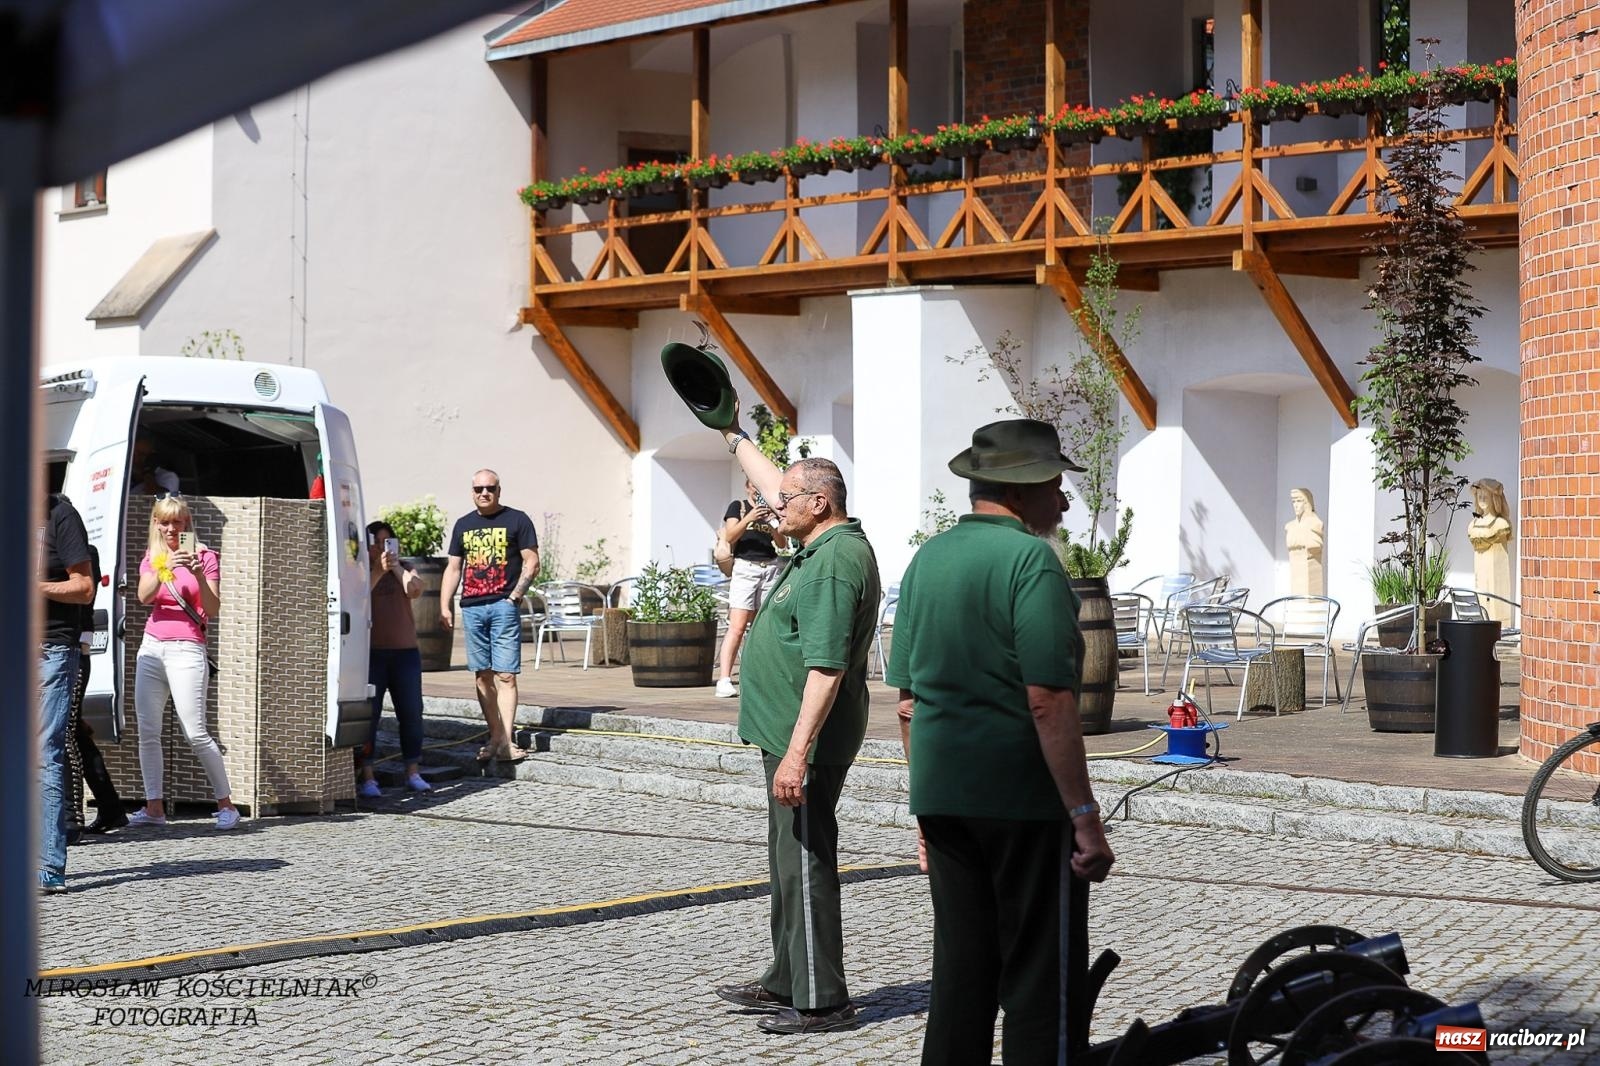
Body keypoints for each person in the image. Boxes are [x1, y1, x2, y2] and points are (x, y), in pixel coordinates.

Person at [886, 418, 1115, 1065]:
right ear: (1023, 489)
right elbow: (1048, 700)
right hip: (1022, 802)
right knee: (1040, 985)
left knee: (961, 978)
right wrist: (1085, 816)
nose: (1064, 501)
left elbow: (906, 704)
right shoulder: (1029, 561)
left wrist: (927, 808)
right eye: (1056, 485)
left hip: (944, 798)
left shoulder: (927, 559)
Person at [710, 409, 881, 1036]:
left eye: (783, 501)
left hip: (804, 741)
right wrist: (731, 433)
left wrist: (796, 753)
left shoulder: (835, 561)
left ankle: (822, 999)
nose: (770, 507)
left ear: (818, 501)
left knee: (806, 861)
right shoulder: (816, 544)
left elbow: (827, 668)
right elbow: (775, 480)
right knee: (787, 860)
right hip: (782, 734)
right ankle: (785, 977)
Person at [128, 494, 241, 830]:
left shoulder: (205, 556)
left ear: (187, 524)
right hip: (152, 646)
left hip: (188, 647)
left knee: (195, 731)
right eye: (164, 521)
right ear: (156, 523)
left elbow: (213, 608)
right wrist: (167, 568)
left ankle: (227, 804)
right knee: (148, 731)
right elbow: (144, 597)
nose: (171, 528)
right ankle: (154, 807)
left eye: (177, 522)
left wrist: (198, 574)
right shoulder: (153, 556)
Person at [440, 470, 539, 763]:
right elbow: (454, 568)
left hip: (502, 606)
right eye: (478, 488)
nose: (484, 493)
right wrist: (445, 605)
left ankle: (507, 741)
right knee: (482, 676)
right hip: (471, 607)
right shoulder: (463, 524)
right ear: (472, 491)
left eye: (490, 488)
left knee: (505, 674)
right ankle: (495, 735)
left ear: (499, 490)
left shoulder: (517, 519)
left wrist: (515, 597)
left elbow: (532, 562)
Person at [38, 491, 95, 893]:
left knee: (44, 753)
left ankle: (48, 867)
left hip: (51, 649)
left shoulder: (61, 515)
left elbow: (84, 587)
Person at [356, 520, 431, 796]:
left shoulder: (407, 567)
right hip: (373, 654)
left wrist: (396, 567)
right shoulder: (362, 569)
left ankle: (412, 772)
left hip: (405, 654)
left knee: (411, 713)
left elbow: (415, 589)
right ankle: (368, 777)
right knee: (370, 717)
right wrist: (378, 568)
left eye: (386, 543)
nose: (381, 549)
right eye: (376, 544)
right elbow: (359, 595)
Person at [68, 544, 129, 839]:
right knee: (75, 732)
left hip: (70, 654)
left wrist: (82, 649)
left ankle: (73, 818)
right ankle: (109, 806)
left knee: (67, 735)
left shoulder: (82, 552)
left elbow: (85, 608)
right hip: (70, 653)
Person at [715, 479, 787, 698]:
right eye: (755, 488)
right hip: (745, 568)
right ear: (747, 487)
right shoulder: (738, 506)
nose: (758, 492)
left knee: (764, 626)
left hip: (770, 567)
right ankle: (724, 679)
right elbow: (729, 536)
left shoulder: (771, 510)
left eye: (761, 489)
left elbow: (782, 544)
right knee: (737, 626)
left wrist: (773, 523)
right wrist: (750, 517)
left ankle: (759, 676)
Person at [1468, 477, 1514, 624]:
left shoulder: (1500, 524)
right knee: (1481, 597)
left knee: (1495, 603)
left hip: (1496, 573)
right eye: (1479, 496)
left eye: (1485, 496)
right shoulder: (1474, 524)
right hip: (1480, 571)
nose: (1481, 499)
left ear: (1494, 499)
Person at [1284, 487, 1326, 597]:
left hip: (1312, 588)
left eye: (1299, 501)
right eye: (1293, 501)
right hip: (1296, 585)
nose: (1295, 505)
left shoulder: (1315, 524)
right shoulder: (1290, 526)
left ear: (1307, 502)